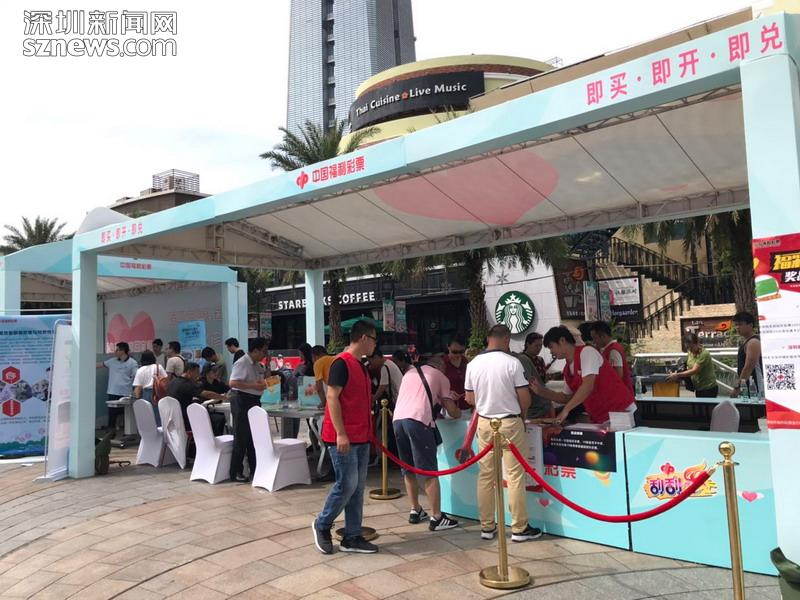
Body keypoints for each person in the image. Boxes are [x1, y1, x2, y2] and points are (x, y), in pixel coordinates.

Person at [464, 324, 542, 543]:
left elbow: (469, 399)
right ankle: (519, 528)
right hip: (509, 422)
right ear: (506, 339)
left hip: (485, 422)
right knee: (515, 476)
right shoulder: (512, 363)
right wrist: (521, 418)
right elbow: (525, 398)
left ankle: (487, 526)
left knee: (486, 476)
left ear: (488, 339)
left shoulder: (473, 364)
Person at [313, 320, 379, 555]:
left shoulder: (360, 365)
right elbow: (332, 397)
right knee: (347, 484)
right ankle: (322, 523)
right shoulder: (341, 363)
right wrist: (341, 433)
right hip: (343, 437)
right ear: (364, 338)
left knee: (357, 488)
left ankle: (352, 536)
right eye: (374, 340)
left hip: (360, 436)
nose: (375, 345)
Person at [393, 354, 460, 531]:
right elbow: (453, 412)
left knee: (408, 468)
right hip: (418, 421)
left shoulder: (409, 373)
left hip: (398, 421)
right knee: (429, 470)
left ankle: (415, 509)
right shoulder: (440, 376)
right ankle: (437, 517)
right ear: (440, 366)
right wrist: (454, 404)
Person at [534, 326, 637, 425]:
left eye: (551, 347)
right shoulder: (567, 369)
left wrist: (565, 410)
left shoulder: (587, 352)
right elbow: (567, 397)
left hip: (621, 411)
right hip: (602, 417)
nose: (551, 352)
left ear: (562, 341)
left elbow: (587, 386)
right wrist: (541, 392)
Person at [228, 337, 268, 482]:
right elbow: (233, 383)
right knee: (241, 437)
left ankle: (255, 468)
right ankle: (236, 472)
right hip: (242, 400)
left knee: (254, 437)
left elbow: (260, 378)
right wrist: (253, 386)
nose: (265, 354)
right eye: (263, 351)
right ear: (255, 350)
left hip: (254, 400)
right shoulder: (242, 362)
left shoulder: (257, 365)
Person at [167, 362, 227, 436]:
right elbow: (206, 394)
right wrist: (224, 397)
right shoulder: (187, 384)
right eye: (197, 373)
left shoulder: (173, 382)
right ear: (189, 372)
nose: (198, 376)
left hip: (172, 419)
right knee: (219, 419)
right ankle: (212, 440)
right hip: (185, 419)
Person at [97, 342, 138, 431]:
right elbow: (100, 365)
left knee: (126, 413)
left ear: (123, 351)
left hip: (126, 392)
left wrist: (135, 390)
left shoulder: (132, 363)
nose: (115, 352)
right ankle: (111, 430)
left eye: (117, 350)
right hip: (113, 391)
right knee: (112, 413)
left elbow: (136, 376)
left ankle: (127, 431)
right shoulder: (112, 361)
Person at [666, 333, 719, 398]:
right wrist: (677, 372)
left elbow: (694, 370)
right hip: (698, 388)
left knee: (706, 404)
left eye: (691, 347)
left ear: (697, 343)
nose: (689, 350)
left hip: (708, 388)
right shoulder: (690, 352)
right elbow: (689, 367)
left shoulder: (704, 354)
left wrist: (677, 375)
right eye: (687, 347)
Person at [590, 321, 633, 391]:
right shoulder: (609, 349)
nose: (594, 342)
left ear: (603, 336)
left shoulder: (613, 351)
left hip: (620, 393)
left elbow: (618, 376)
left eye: (595, 338)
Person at [731, 311, 763, 398]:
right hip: (748, 385)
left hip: (756, 386)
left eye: (740, 324)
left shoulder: (753, 342)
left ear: (750, 325)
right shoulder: (747, 341)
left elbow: (748, 367)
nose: (737, 327)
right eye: (736, 325)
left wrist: (737, 387)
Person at [444, 337, 469, 410]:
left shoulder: (466, 361)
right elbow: (435, 387)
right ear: (448, 347)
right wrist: (447, 393)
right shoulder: (442, 363)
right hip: (450, 408)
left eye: (461, 352)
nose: (458, 355)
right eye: (454, 352)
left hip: (468, 405)